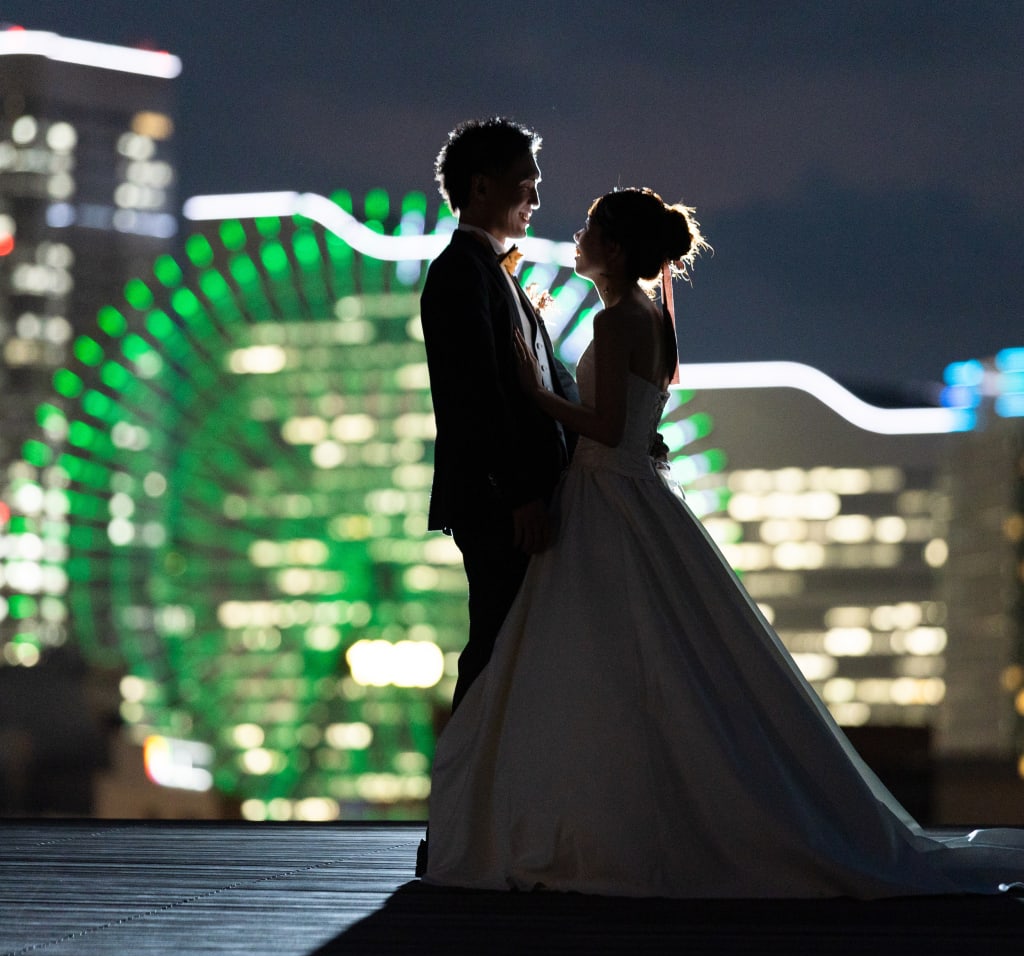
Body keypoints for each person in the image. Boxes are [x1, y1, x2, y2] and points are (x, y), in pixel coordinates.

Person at [423, 186, 1024, 899]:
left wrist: (531, 388)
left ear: (613, 249)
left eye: (589, 229)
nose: (576, 238)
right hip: (634, 492)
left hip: (605, 497)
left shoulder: (618, 322)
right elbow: (641, 423)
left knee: (592, 658)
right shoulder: (649, 317)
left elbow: (608, 427)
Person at [420, 117, 579, 715]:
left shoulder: (493, 271)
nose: (536, 198)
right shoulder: (461, 272)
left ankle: (485, 790)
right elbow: (475, 395)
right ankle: (464, 787)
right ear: (481, 187)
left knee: (513, 646)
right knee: (497, 645)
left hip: (518, 499)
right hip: (501, 506)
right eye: (526, 182)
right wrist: (518, 494)